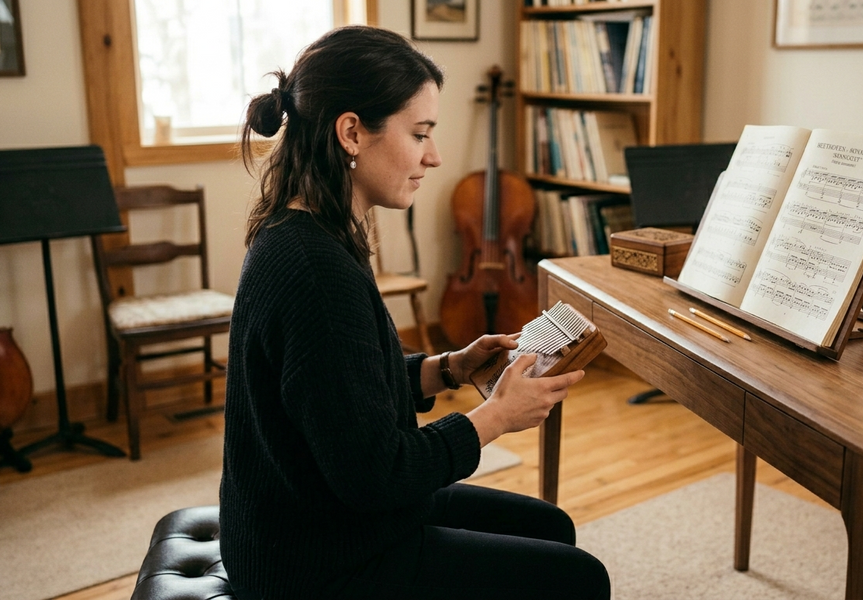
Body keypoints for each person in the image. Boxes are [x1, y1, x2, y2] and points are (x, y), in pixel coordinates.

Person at [220, 25, 611, 599]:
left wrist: (449, 367)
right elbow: (378, 474)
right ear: (352, 132)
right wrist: (496, 416)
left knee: (550, 526)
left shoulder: (305, 230)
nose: (435, 155)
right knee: (581, 579)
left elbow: (340, 396)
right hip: (316, 561)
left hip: (313, 517)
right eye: (420, 133)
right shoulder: (315, 269)